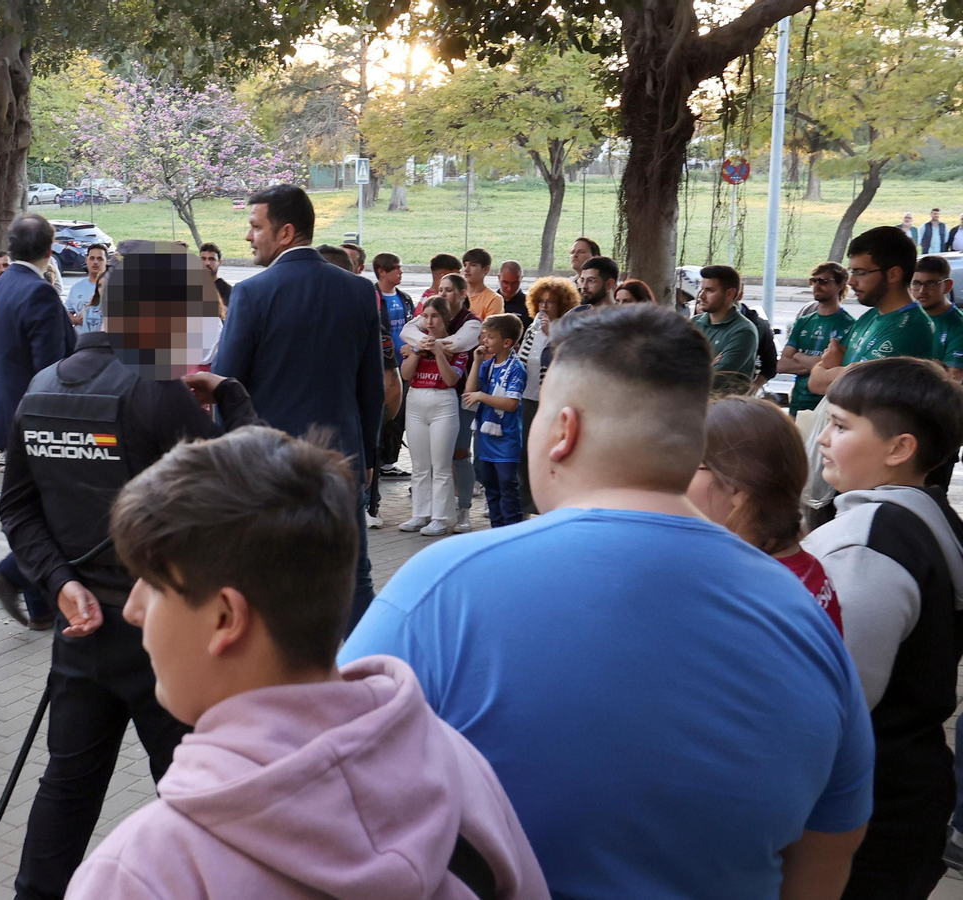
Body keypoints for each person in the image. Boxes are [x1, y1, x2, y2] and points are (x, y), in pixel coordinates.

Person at [342, 303, 874, 900]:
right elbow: (829, 850)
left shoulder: (444, 587)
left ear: (563, 432)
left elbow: (327, 788)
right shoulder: (803, 614)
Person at [66, 426, 549, 900]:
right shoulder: (455, 765)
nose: (133, 609)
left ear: (225, 618)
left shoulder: (140, 872)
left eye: (152, 584)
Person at [1, 240, 259, 900]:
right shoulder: (156, 393)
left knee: (67, 784)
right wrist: (233, 399)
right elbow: (240, 490)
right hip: (161, 635)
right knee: (191, 793)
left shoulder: (41, 388)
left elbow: (18, 511)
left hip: (81, 628)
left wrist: (60, 584)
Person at [801, 356, 963, 899]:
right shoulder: (926, 516)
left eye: (841, 426)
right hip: (907, 791)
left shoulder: (867, 546)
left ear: (899, 448)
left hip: (870, 814)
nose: (824, 438)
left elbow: (836, 702)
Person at [213, 184, 384, 631]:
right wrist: (368, 455)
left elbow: (226, 385)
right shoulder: (359, 291)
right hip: (342, 461)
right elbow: (371, 388)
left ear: (286, 232)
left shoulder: (251, 294)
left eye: (255, 226)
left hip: (270, 468)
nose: (248, 236)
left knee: (270, 581)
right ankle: (364, 667)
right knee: (353, 579)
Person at [0, 214, 78, 631]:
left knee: (33, 513)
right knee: (56, 514)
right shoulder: (38, 292)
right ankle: (11, 573)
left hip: (7, 414)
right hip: (41, 422)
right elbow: (52, 372)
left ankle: (40, 607)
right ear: (50, 250)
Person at [687, 396, 843, 633]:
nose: (677, 481)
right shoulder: (803, 570)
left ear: (737, 489)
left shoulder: (746, 598)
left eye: (689, 466)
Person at [809, 226, 938, 397]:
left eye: (860, 273)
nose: (851, 282)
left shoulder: (909, 329)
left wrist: (834, 370)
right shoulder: (869, 317)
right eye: (852, 272)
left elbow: (856, 392)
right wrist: (844, 371)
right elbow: (815, 382)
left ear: (893, 274)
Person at [396, 294, 469, 537]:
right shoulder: (416, 343)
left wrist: (437, 351)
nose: (429, 321)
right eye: (425, 316)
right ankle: (420, 513)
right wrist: (417, 350)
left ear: (445, 318)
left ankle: (441, 517)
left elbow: (451, 379)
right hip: (416, 401)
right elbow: (406, 375)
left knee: (441, 465)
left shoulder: (455, 346)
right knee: (419, 465)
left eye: (435, 316)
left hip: (443, 403)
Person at [515, 277, 579, 516]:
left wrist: (551, 335)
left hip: (550, 403)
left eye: (550, 302)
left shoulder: (565, 331)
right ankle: (523, 506)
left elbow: (566, 363)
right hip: (526, 398)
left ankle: (548, 507)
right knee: (523, 455)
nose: (544, 306)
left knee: (547, 455)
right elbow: (522, 360)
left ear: (561, 304)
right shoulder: (532, 329)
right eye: (540, 301)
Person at [463, 313, 526, 527]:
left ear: (507, 342)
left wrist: (482, 396)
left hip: (506, 437)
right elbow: (469, 390)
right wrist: (476, 362)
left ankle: (512, 530)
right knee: (490, 484)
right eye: (484, 336)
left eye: (490, 337)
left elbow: (511, 403)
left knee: (507, 485)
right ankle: (496, 528)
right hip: (486, 436)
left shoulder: (516, 368)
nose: (485, 341)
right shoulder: (487, 364)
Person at [780, 262, 857, 415]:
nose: (816, 285)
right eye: (813, 281)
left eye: (823, 281)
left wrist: (799, 356)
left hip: (825, 407)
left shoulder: (850, 325)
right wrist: (821, 366)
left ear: (840, 285)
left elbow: (838, 368)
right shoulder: (803, 321)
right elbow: (782, 365)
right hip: (797, 404)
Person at [373, 252, 412, 482]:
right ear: (382, 271)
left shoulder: (404, 298)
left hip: (404, 367)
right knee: (381, 414)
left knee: (399, 416)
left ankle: (389, 461)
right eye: (396, 268)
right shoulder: (372, 297)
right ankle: (376, 459)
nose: (400, 272)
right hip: (381, 368)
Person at [692, 264, 759, 396]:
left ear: (729, 294)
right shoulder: (694, 323)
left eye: (710, 291)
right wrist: (708, 366)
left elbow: (713, 382)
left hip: (725, 407)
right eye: (702, 289)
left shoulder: (743, 331)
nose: (701, 296)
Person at [913, 254, 963, 381]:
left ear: (948, 286)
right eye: (916, 284)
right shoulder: (906, 319)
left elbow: (953, 379)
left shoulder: (958, 326)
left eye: (931, 284)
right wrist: (935, 366)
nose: (922, 291)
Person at [65, 243, 107, 333]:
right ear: (86, 261)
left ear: (107, 261)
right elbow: (65, 313)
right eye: (92, 258)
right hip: (81, 339)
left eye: (100, 259)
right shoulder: (76, 288)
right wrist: (75, 320)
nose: (95, 262)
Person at [461, 248, 503, 321]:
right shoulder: (456, 293)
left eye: (473, 265)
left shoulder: (493, 299)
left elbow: (490, 327)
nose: (466, 269)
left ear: (486, 269)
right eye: (465, 265)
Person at [198, 242, 232, 308]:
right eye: (203, 259)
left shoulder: (227, 291)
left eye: (212, 259)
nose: (207, 263)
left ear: (220, 262)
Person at [498, 259, 529, 325]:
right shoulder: (490, 301)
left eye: (515, 283)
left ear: (521, 279)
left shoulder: (529, 304)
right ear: (499, 277)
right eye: (505, 282)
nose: (509, 288)